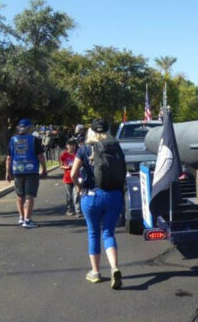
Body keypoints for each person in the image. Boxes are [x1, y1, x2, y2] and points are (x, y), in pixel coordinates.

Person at [70, 119, 124, 289]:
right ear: (108, 131)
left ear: (90, 132)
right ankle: (114, 267)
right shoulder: (115, 147)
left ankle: (95, 272)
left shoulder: (84, 149)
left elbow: (73, 174)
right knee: (109, 233)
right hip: (114, 195)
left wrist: (79, 187)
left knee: (93, 233)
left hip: (91, 196)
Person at [6, 119, 47, 228]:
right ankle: (27, 221)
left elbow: (9, 158)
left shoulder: (12, 140)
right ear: (29, 128)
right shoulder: (33, 140)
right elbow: (40, 156)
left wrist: (8, 172)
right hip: (31, 170)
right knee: (29, 196)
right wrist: (44, 169)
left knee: (20, 195)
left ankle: (21, 217)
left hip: (17, 170)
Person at [60, 138, 81, 217]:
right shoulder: (64, 155)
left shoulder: (78, 154)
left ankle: (78, 210)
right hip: (67, 177)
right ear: (67, 146)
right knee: (69, 195)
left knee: (76, 194)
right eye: (70, 145)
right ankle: (69, 209)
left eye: (73, 145)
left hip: (77, 176)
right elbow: (61, 166)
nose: (72, 146)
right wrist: (68, 167)